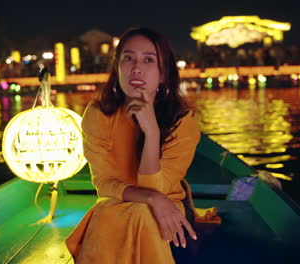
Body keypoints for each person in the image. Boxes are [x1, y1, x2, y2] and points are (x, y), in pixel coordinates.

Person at [65, 27, 201, 263]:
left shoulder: (182, 120)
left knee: (142, 214)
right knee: (111, 211)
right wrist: (150, 198)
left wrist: (151, 133)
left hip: (170, 205)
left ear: (163, 73)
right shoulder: (99, 115)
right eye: (128, 58)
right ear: (117, 68)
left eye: (149, 60)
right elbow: (104, 183)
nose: (136, 68)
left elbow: (159, 191)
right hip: (119, 201)